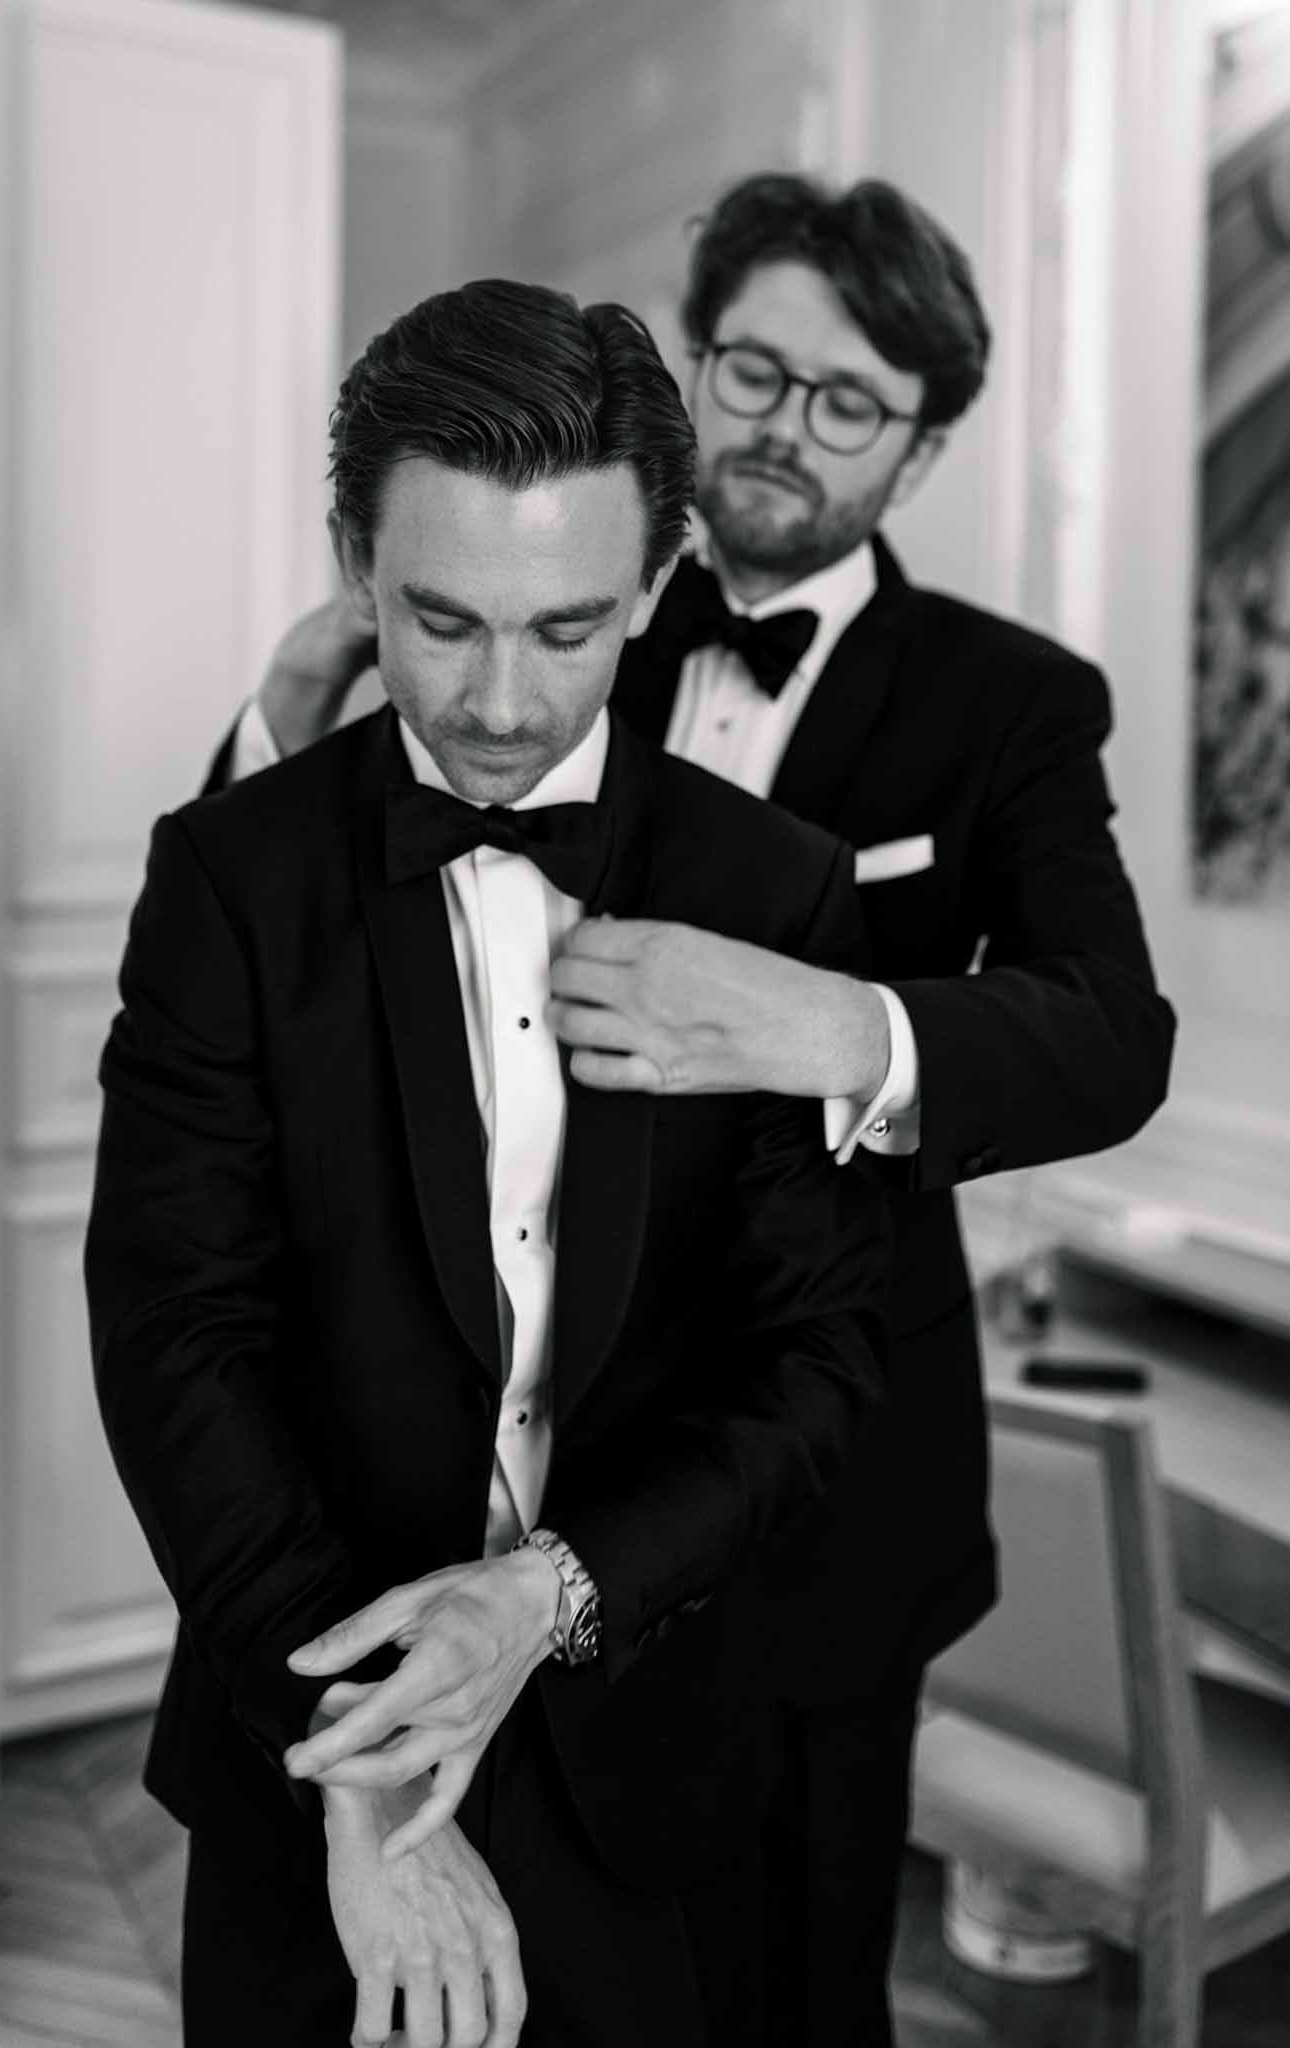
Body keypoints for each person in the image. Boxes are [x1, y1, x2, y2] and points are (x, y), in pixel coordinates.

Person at [213, 173, 1177, 2047]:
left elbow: (1110, 1033)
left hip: (824, 1483)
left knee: (796, 1987)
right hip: (491, 1492)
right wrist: (274, 724)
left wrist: (837, 1021)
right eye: (752, 366)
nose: (779, 426)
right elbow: (281, 917)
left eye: (850, 400)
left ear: (920, 451)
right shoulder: (544, 595)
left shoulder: (1008, 705)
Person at [85, 276, 891, 2048]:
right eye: (442, 621)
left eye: (570, 626)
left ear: (661, 585)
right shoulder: (225, 878)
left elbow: (817, 1367)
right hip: (304, 1741)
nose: (504, 702)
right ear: (353, 562)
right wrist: (362, 1773)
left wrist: (554, 1598)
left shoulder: (776, 896)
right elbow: (176, 1342)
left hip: (656, 1747)